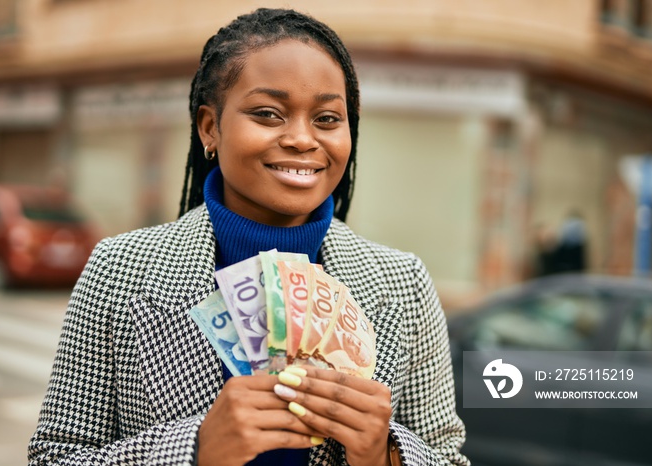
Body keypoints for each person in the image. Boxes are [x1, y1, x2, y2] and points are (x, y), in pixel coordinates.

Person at [28, 8, 469, 466]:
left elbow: (447, 456)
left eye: (327, 119)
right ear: (210, 127)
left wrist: (386, 455)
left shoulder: (403, 283)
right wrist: (194, 451)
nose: (302, 138)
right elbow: (53, 457)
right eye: (267, 113)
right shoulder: (120, 269)